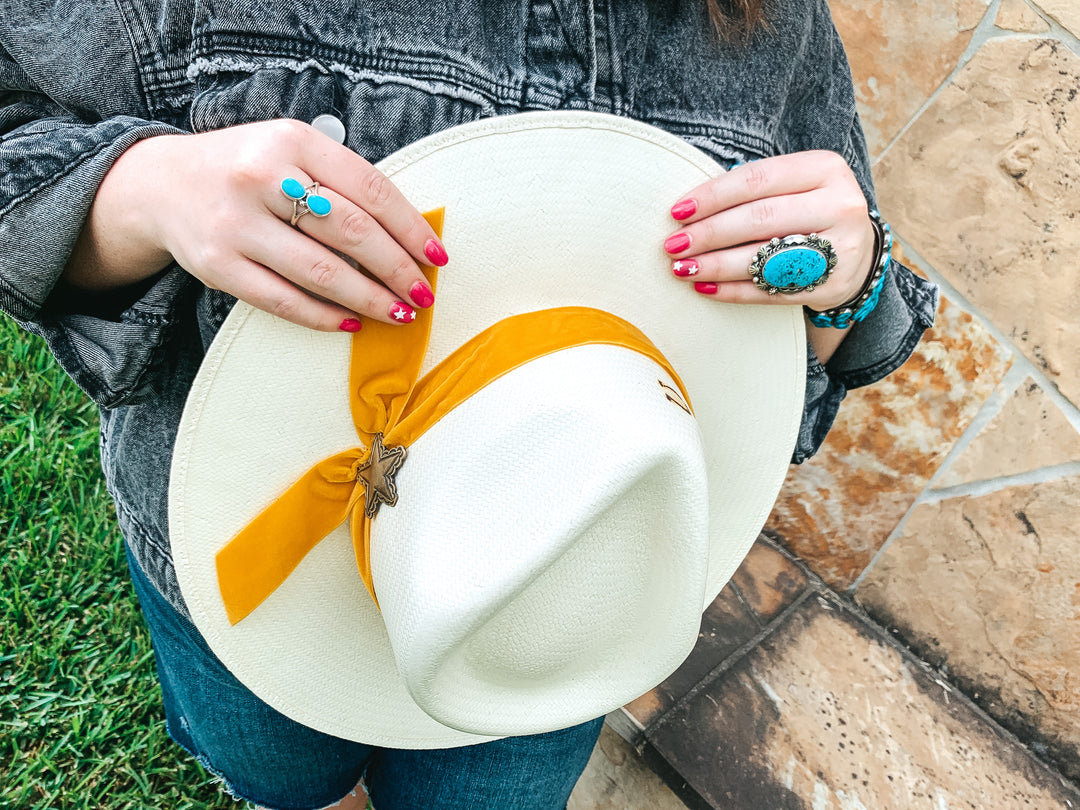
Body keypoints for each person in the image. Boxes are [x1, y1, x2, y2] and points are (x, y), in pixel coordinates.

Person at [0, 1, 938, 808]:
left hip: (550, 611)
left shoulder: (772, 34)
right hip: (256, 577)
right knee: (280, 777)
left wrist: (838, 286)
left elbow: (798, 361)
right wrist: (147, 192)